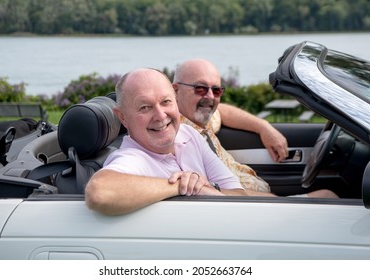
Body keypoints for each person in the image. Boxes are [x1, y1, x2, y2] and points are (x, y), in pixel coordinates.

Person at [85, 68, 277, 216]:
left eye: (166, 102)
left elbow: (239, 195)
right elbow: (99, 193)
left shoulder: (187, 133)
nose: (160, 116)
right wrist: (181, 187)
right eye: (145, 107)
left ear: (176, 101)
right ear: (123, 117)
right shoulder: (133, 158)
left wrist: (208, 189)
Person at [172, 59, 288, 193]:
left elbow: (222, 111)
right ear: (176, 91)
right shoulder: (176, 137)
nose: (210, 96)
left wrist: (264, 127)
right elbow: (214, 193)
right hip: (246, 205)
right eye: (201, 88)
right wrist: (277, 202)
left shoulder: (200, 118)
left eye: (216, 90)